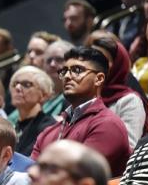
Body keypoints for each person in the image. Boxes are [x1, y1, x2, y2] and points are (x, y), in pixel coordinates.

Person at [31, 46, 131, 177]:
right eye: (64, 71)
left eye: (77, 70)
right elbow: (29, 173)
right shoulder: (50, 130)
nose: (67, 76)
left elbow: (76, 175)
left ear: (99, 79)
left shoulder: (108, 125)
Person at [89, 36, 148, 148]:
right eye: (91, 59)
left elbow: (129, 146)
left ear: (117, 65)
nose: (93, 65)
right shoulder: (86, 96)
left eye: (101, 60)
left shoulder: (130, 101)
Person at [7, 66, 57, 156]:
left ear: (44, 95)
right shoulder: (10, 126)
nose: (17, 88)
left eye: (26, 84)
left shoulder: (48, 127)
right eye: (14, 84)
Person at [41, 40, 74, 118]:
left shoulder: (75, 99)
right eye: (49, 60)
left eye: (59, 59)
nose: (52, 64)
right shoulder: (36, 96)